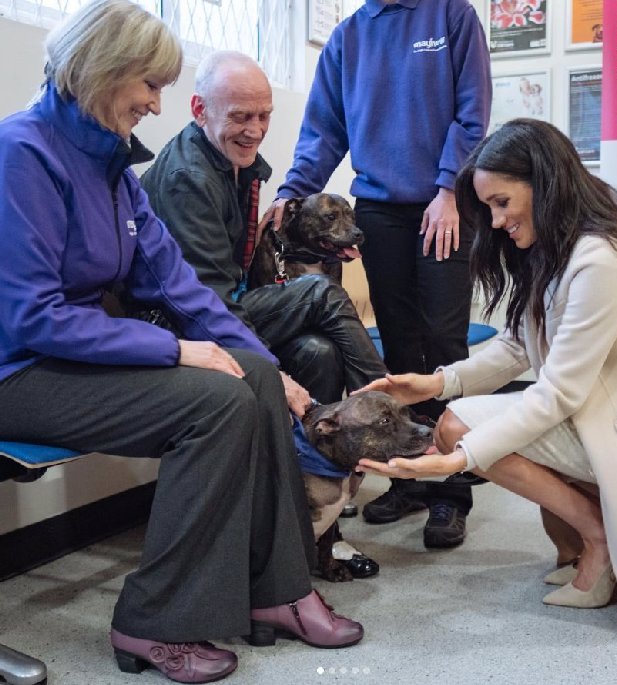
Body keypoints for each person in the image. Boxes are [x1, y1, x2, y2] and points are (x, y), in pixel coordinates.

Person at [0, 2, 363, 683]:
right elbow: (33, 318)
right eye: (149, 84)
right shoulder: (21, 152)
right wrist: (173, 351)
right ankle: (155, 620)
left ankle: (278, 589)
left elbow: (181, 287)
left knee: (254, 379)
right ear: (102, 71)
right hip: (18, 371)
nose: (155, 103)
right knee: (216, 403)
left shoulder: (112, 168)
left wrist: (272, 368)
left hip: (74, 358)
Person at [356, 118, 617, 643]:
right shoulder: (561, 249)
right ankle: (595, 535)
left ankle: (598, 537)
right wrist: (435, 383)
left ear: (545, 183)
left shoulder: (602, 260)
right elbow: (517, 347)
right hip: (607, 414)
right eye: (488, 207)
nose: (495, 221)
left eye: (502, 203)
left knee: (461, 429)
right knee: (457, 420)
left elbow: (558, 392)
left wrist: (461, 460)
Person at [139, 50, 386, 579]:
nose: (255, 130)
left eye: (264, 115)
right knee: (319, 294)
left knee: (318, 352)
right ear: (200, 109)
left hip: (219, 310)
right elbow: (203, 301)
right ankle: (383, 401)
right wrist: (273, 366)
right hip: (180, 325)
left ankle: (312, 527)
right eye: (240, 116)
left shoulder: (234, 166)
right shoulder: (188, 177)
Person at [262, 0, 493, 550]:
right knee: (400, 346)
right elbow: (323, 130)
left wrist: (449, 190)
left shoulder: (451, 16)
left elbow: (471, 113)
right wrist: (292, 191)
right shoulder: (348, 37)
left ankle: (450, 490)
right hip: (380, 211)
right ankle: (407, 478)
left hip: (445, 204)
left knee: (443, 343)